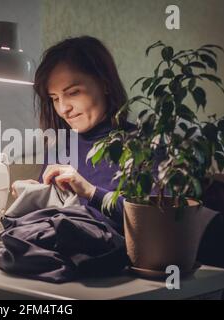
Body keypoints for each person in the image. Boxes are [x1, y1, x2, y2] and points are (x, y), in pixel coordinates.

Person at [12, 36, 135, 234]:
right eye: (54, 98)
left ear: (105, 84)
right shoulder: (61, 145)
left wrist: (90, 191)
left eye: (73, 92)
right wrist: (35, 194)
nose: (63, 109)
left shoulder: (143, 146)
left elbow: (154, 222)